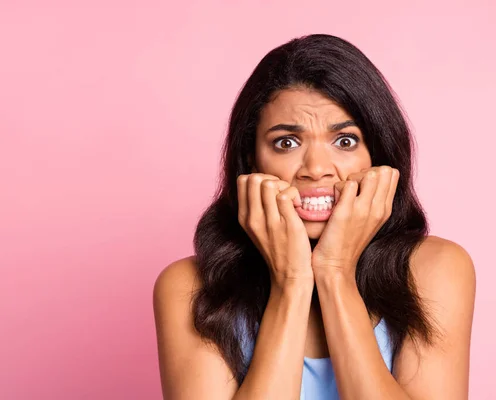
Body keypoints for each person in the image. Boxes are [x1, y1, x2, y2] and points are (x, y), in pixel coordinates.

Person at [153, 33, 476, 400]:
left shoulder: (435, 269)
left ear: (379, 156)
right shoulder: (190, 288)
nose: (317, 169)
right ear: (250, 161)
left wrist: (335, 271)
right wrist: (291, 281)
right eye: (287, 143)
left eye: (345, 141)